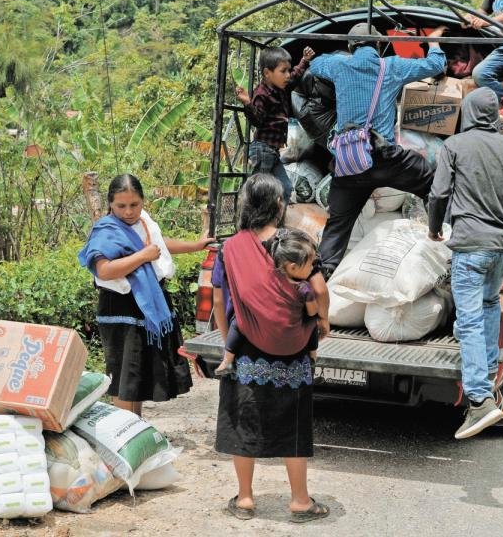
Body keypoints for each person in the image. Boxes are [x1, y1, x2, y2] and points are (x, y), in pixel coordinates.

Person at [211, 173, 331, 523]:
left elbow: (220, 299)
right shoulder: (296, 242)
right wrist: (322, 322)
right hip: (293, 351)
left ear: (247, 206)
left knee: (243, 423)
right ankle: (300, 500)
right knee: (293, 424)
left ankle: (246, 499)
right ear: (279, 206)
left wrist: (228, 340)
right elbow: (319, 289)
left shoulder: (230, 248)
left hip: (247, 350)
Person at [426, 87, 503, 439]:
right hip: (502, 248)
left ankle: (478, 400)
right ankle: (487, 370)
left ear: (469, 113)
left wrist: (433, 229)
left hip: (471, 246)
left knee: (470, 318)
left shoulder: (454, 146)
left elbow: (439, 193)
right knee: (488, 305)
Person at [309, 22, 448, 278]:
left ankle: (323, 275)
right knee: (433, 183)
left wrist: (335, 56)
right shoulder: (391, 65)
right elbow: (437, 66)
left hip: (349, 162)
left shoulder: (340, 65)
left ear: (351, 46)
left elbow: (315, 64)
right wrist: (435, 44)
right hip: (387, 159)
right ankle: (443, 239)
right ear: (380, 45)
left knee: (338, 225)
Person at [77, 174, 213, 414]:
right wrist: (142, 256)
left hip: (146, 307)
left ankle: (135, 429)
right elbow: (105, 270)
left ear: (143, 201)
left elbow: (158, 244)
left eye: (134, 205)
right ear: (110, 203)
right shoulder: (106, 230)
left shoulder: (143, 222)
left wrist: (194, 245)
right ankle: (126, 440)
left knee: (137, 379)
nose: (128, 211)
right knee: (125, 381)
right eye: (121, 206)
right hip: (121, 311)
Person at [213, 229, 321, 377]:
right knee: (313, 321)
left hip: (263, 332)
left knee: (238, 323)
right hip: (292, 340)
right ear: (293, 267)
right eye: (310, 264)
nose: (312, 268)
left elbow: (219, 300)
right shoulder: (304, 288)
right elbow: (313, 312)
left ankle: (227, 360)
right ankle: (313, 356)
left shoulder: (268, 280)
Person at [235, 46, 316, 203]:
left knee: (285, 189)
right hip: (262, 150)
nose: (287, 75)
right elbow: (257, 120)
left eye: (288, 70)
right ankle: (249, 220)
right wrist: (247, 103)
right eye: (283, 71)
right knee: (257, 191)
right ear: (267, 73)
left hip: (272, 152)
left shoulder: (281, 87)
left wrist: (304, 61)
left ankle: (276, 223)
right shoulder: (262, 94)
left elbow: (295, 77)